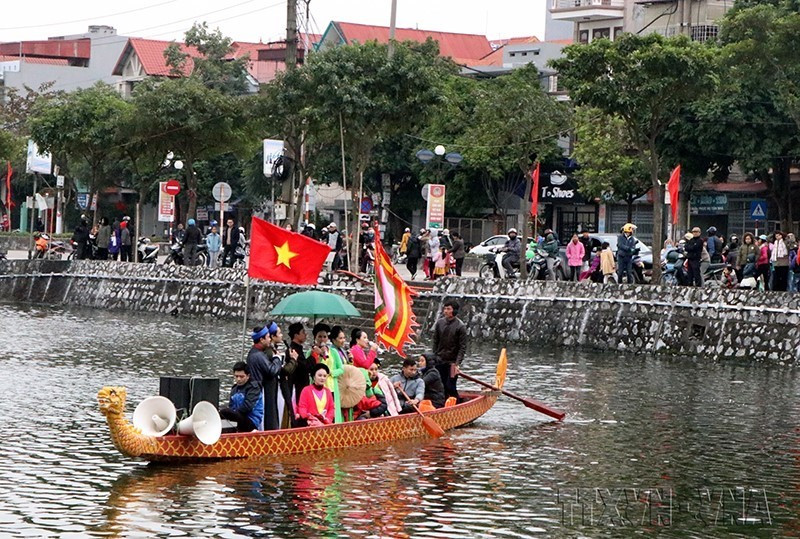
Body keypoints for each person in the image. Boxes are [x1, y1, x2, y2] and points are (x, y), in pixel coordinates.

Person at [247, 322, 297, 430]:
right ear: (261, 339)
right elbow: (272, 370)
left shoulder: (257, 353)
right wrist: (277, 359)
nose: (269, 339)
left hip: (262, 389)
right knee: (268, 418)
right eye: (268, 337)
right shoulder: (259, 355)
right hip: (263, 390)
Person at [432, 299, 467, 399]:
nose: (445, 311)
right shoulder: (439, 323)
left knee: (450, 386)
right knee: (440, 386)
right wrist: (434, 357)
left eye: (448, 309)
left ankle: (457, 403)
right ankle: (443, 404)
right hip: (439, 360)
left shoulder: (460, 327)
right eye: (445, 309)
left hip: (452, 362)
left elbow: (462, 347)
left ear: (454, 311)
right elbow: (435, 342)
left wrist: (457, 364)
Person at [219, 361, 263, 432]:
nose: (238, 379)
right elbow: (231, 406)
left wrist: (232, 414)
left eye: (241, 377)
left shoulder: (254, 388)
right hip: (237, 418)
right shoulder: (234, 389)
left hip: (251, 421)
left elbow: (247, 407)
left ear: (248, 376)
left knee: (225, 412)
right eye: (236, 376)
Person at [289, 322, 314, 419]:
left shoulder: (298, 348)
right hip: (298, 385)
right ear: (296, 335)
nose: (305, 334)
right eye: (303, 332)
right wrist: (313, 356)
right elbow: (304, 367)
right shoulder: (294, 350)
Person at [323, 325, 348, 423]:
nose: (343, 340)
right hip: (332, 383)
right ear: (333, 339)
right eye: (340, 338)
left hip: (340, 383)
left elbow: (341, 368)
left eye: (344, 338)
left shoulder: (340, 350)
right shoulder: (332, 351)